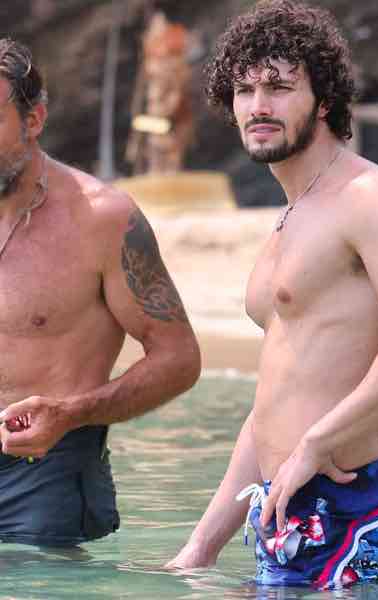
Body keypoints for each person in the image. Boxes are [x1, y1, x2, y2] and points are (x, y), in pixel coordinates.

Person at [167, 0, 378, 589]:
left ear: (324, 100)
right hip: (285, 510)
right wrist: (200, 547)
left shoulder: (370, 198)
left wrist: (315, 443)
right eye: (245, 90)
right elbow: (275, 405)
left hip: (352, 510)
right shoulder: (292, 218)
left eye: (279, 88)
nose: (259, 105)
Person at [0, 39, 201, 547]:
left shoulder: (103, 219)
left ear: (33, 119)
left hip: (44, 477)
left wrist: (71, 414)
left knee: (38, 583)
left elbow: (179, 359)